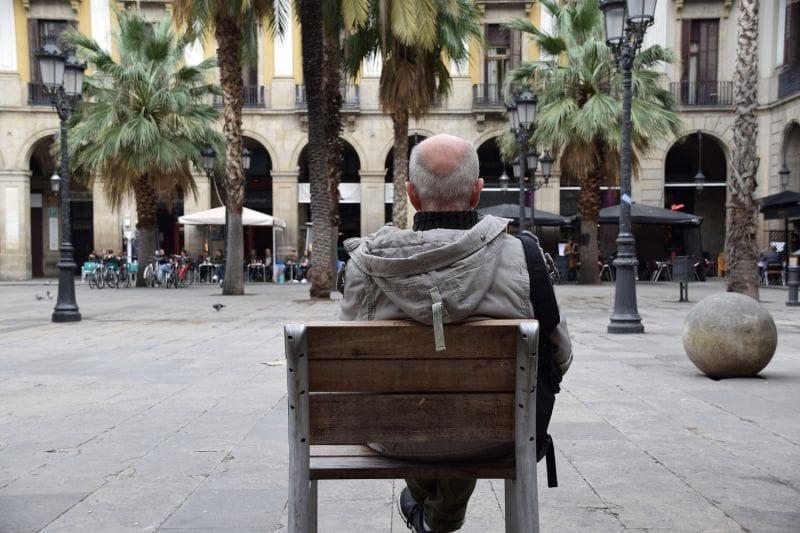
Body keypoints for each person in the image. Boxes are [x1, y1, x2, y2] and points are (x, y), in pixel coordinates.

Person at [338, 134, 572, 533]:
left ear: (411, 195)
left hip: (392, 434)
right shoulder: (525, 257)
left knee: (422, 412)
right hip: (498, 432)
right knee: (470, 418)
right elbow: (559, 356)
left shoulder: (367, 263)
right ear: (477, 192)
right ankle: (438, 518)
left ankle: (433, 515)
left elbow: (350, 367)